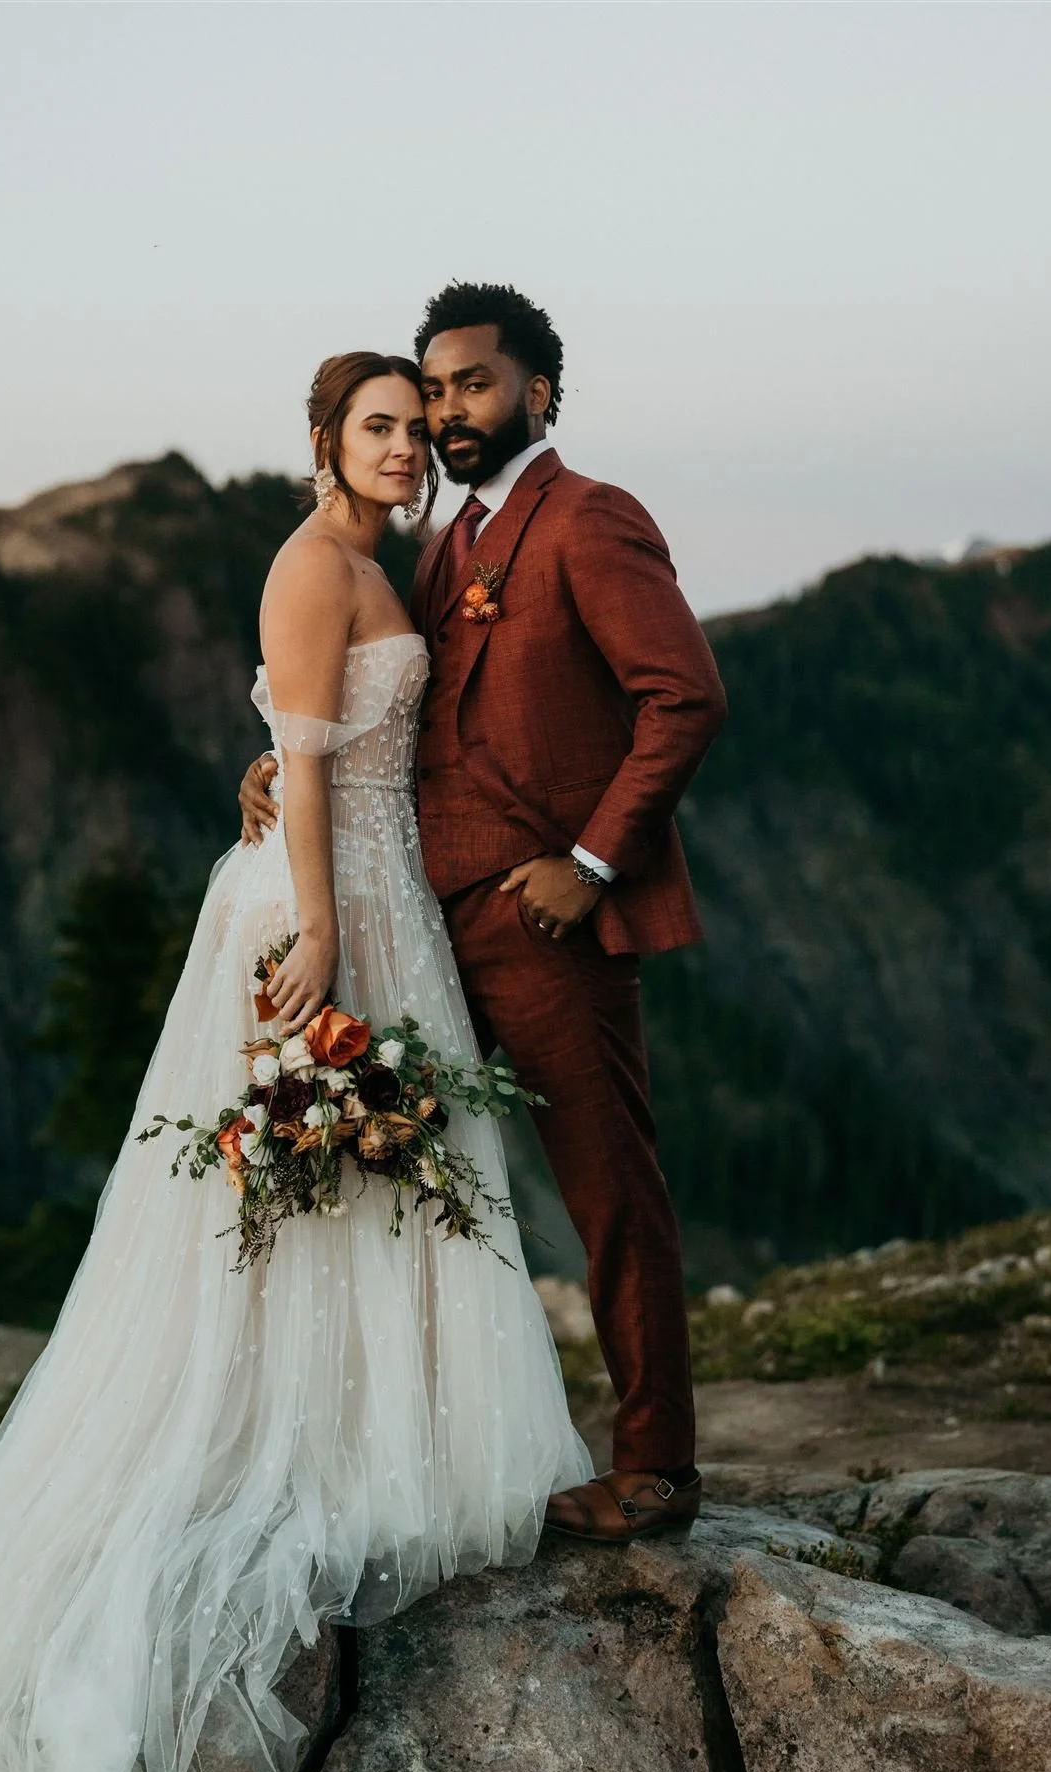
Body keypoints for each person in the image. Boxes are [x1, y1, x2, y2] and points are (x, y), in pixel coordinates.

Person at [0, 351, 590, 1772]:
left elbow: (320, 739)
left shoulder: (382, 560)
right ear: (326, 441)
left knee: (372, 1190)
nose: (408, 446)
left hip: (371, 891)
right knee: (307, 1198)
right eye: (381, 426)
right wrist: (328, 924)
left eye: (420, 426)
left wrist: (303, 806)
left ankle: (367, 1416)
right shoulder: (307, 560)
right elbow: (307, 745)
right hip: (320, 910)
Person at [241, 284, 727, 1545]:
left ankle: (658, 1463)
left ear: (538, 393)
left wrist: (592, 863)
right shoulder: (442, 543)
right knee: (404, 1188)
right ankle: (391, 1453)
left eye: (474, 385)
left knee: (609, 1186)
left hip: (545, 922)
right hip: (423, 919)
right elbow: (390, 720)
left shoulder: (589, 520)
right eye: (435, 389)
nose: (448, 412)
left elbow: (684, 697)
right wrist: (283, 764)